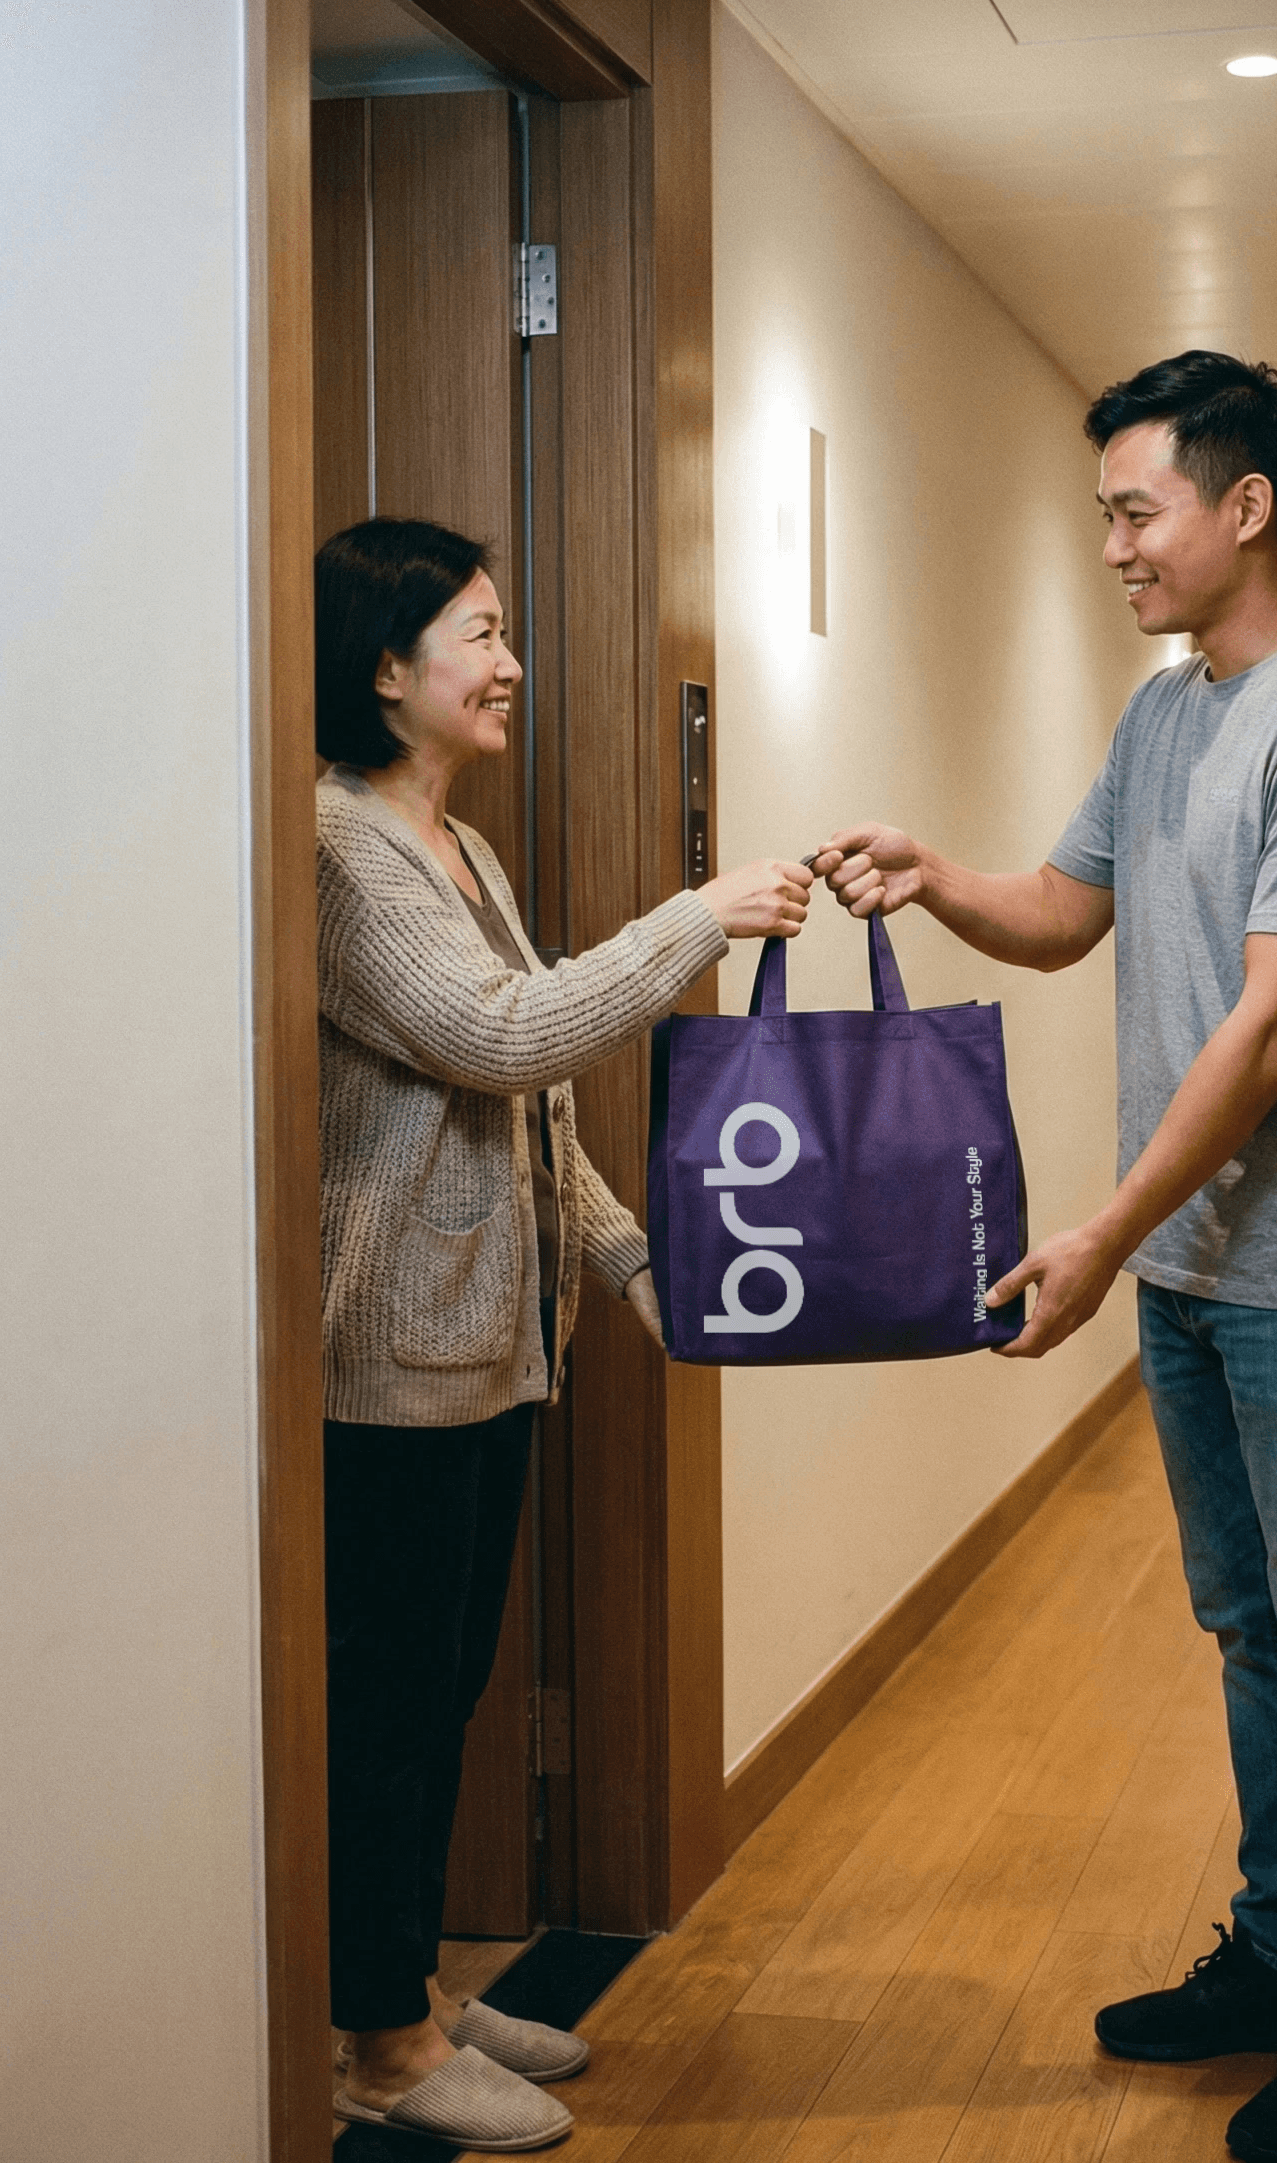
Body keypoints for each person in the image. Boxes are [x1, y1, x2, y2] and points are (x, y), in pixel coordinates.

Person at [814, 352, 1277, 2163]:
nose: (1111, 542)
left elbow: (1267, 1036)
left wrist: (1101, 1227)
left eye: (1133, 506)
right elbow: (1063, 911)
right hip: (1194, 1263)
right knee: (1252, 1628)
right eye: (1104, 509)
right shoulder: (1169, 712)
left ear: (1246, 505)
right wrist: (937, 874)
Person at [314, 517, 812, 2152]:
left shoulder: (462, 848)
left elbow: (539, 1118)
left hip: (498, 1343)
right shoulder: (334, 845)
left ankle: (403, 1987)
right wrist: (699, 921)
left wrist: (627, 1261)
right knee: (391, 1703)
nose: (509, 659)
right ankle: (375, 2041)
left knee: (448, 1683)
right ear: (387, 668)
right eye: (479, 630)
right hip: (388, 1365)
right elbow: (497, 1035)